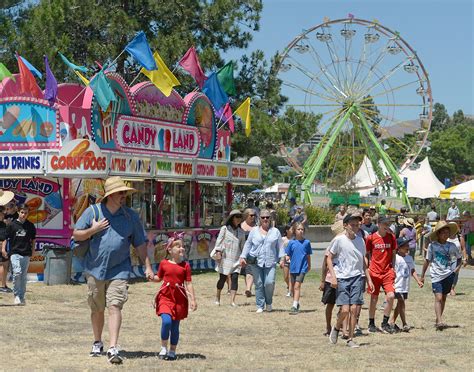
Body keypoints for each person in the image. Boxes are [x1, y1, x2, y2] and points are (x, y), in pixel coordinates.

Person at [73, 176, 153, 364]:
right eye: (120, 192)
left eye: (124, 192)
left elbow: (140, 244)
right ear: (110, 195)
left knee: (115, 305)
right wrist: (93, 229)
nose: (123, 195)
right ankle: (97, 341)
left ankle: (113, 347)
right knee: (97, 308)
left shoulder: (130, 216)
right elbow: (76, 234)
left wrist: (147, 266)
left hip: (120, 269)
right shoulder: (93, 212)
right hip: (94, 268)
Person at [327, 214, 374, 348]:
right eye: (352, 225)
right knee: (345, 310)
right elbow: (329, 258)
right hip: (342, 278)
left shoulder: (361, 241)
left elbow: (363, 262)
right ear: (345, 226)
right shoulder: (339, 240)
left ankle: (350, 339)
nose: (355, 227)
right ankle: (336, 327)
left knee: (354, 309)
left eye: (357, 225)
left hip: (357, 278)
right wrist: (334, 277)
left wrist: (369, 279)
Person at [152, 233, 197, 360]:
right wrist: (151, 277)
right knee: (166, 322)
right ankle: (163, 347)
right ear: (170, 250)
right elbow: (158, 278)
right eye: (177, 246)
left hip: (179, 300)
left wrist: (193, 299)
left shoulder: (185, 266)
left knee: (175, 326)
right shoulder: (164, 263)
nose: (181, 248)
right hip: (165, 297)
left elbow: (188, 283)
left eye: (182, 246)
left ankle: (172, 351)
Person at [240, 209, 284, 313]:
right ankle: (260, 305)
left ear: (270, 219)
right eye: (263, 217)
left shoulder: (275, 231)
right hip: (256, 261)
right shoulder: (254, 231)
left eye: (267, 217)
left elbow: (280, 246)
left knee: (269, 282)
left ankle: (268, 302)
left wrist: (282, 258)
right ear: (259, 218)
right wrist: (243, 256)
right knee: (259, 283)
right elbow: (248, 244)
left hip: (270, 261)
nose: (265, 219)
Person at [420, 221, 462, 330]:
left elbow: (459, 258)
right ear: (438, 234)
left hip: (448, 275)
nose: (446, 234)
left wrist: (456, 270)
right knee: (438, 297)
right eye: (443, 232)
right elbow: (427, 260)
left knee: (443, 298)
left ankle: (438, 318)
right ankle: (440, 321)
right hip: (436, 276)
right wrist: (422, 275)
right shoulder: (432, 246)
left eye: (447, 232)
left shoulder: (452, 246)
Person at [366, 216, 398, 334]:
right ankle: (371, 322)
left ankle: (385, 322)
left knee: (390, 296)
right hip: (374, 272)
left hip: (387, 272)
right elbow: (367, 253)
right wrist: (368, 268)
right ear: (378, 224)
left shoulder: (391, 237)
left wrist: (393, 268)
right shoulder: (371, 238)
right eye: (384, 224)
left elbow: (394, 254)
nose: (386, 226)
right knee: (374, 298)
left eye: (388, 224)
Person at [1, 204, 36, 306]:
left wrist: (33, 250)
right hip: (15, 253)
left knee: (23, 276)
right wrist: (3, 249)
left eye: (25, 213)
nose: (24, 214)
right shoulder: (12, 225)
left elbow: (33, 239)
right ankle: (16, 295)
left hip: (26, 253)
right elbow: (5, 238)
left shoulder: (30, 226)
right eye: (22, 212)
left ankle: (21, 296)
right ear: (18, 212)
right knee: (17, 273)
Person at [211, 210, 245, 307]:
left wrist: (244, 257)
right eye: (236, 216)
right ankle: (218, 297)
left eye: (239, 217)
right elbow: (219, 241)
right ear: (232, 218)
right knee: (222, 278)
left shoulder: (241, 232)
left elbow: (243, 246)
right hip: (225, 257)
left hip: (236, 258)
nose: (238, 219)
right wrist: (218, 252)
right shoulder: (225, 229)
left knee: (235, 278)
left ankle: (232, 301)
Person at [389, 237, 423, 332]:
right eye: (405, 246)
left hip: (405, 285)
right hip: (397, 284)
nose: (407, 247)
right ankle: (404, 323)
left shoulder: (409, 258)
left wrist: (418, 280)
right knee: (401, 302)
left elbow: (412, 270)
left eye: (408, 245)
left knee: (400, 304)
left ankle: (392, 321)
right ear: (398, 248)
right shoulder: (395, 258)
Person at [320, 220, 344, 336]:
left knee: (343, 305)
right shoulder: (332, 244)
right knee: (330, 304)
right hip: (330, 279)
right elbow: (325, 263)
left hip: (343, 277)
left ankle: (341, 325)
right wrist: (322, 281)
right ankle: (328, 326)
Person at [285, 223, 312, 314]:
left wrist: (309, 265)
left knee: (297, 286)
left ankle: (294, 306)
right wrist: (284, 259)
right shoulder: (291, 243)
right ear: (294, 231)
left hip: (302, 268)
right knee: (292, 288)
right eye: (299, 229)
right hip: (293, 268)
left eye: (302, 229)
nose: (301, 231)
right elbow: (288, 255)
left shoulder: (307, 242)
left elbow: (308, 256)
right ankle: (296, 303)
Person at [240, 208, 257, 297]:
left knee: (250, 270)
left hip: (253, 252)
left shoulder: (256, 227)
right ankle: (248, 287)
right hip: (243, 252)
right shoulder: (241, 226)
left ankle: (248, 289)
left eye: (254, 215)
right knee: (245, 271)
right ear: (246, 216)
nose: (253, 217)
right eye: (251, 215)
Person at [447, 228, 467, 296]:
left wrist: (464, 259)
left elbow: (463, 248)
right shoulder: (446, 236)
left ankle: (452, 288)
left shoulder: (459, 237)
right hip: (447, 258)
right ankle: (447, 288)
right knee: (447, 273)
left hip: (458, 259)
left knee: (455, 274)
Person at [0, 206, 12, 293]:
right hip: (1, 246)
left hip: (2, 245)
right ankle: (2, 285)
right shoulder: (2, 224)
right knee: (3, 265)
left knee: (5, 264)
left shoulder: (3, 223)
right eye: (2, 213)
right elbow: (3, 238)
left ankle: (3, 284)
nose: (4, 215)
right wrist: (3, 249)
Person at [282, 224, 294, 297]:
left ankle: (290, 291)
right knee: (285, 277)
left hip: (292, 259)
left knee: (290, 276)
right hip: (285, 259)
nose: (292, 231)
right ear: (287, 230)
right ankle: (289, 286)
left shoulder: (294, 239)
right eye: (291, 229)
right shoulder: (283, 239)